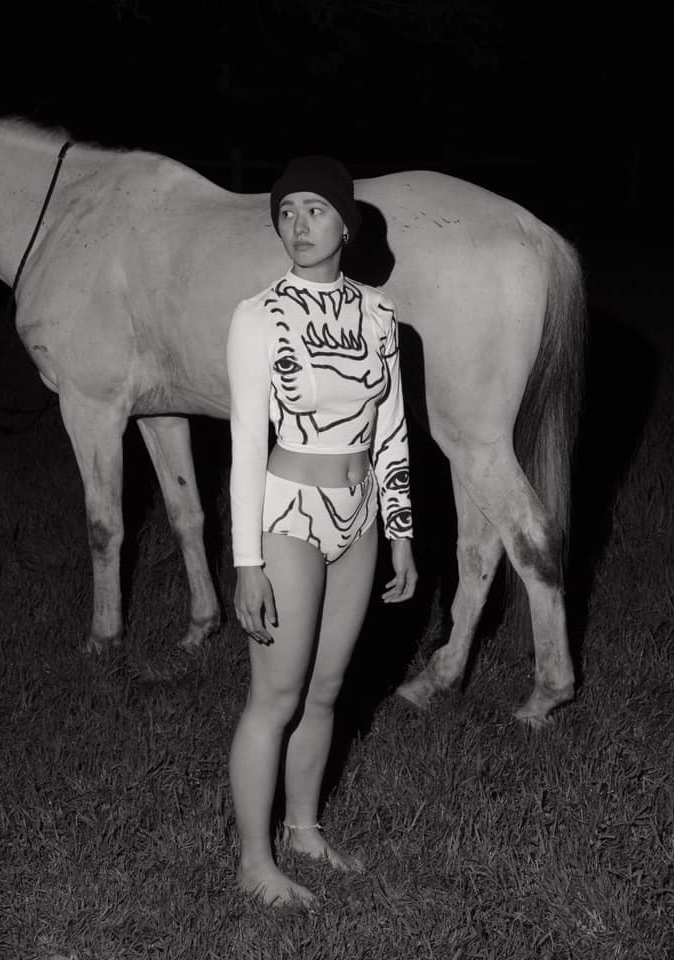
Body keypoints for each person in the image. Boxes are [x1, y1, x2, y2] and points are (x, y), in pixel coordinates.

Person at [226, 155, 417, 907]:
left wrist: (400, 530)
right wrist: (247, 562)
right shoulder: (258, 316)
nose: (298, 224)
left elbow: (392, 428)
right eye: (286, 211)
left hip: (360, 516)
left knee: (327, 690)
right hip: (289, 517)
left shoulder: (380, 314)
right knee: (276, 697)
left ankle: (303, 830)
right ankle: (255, 861)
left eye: (315, 209)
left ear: (346, 224)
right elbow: (247, 444)